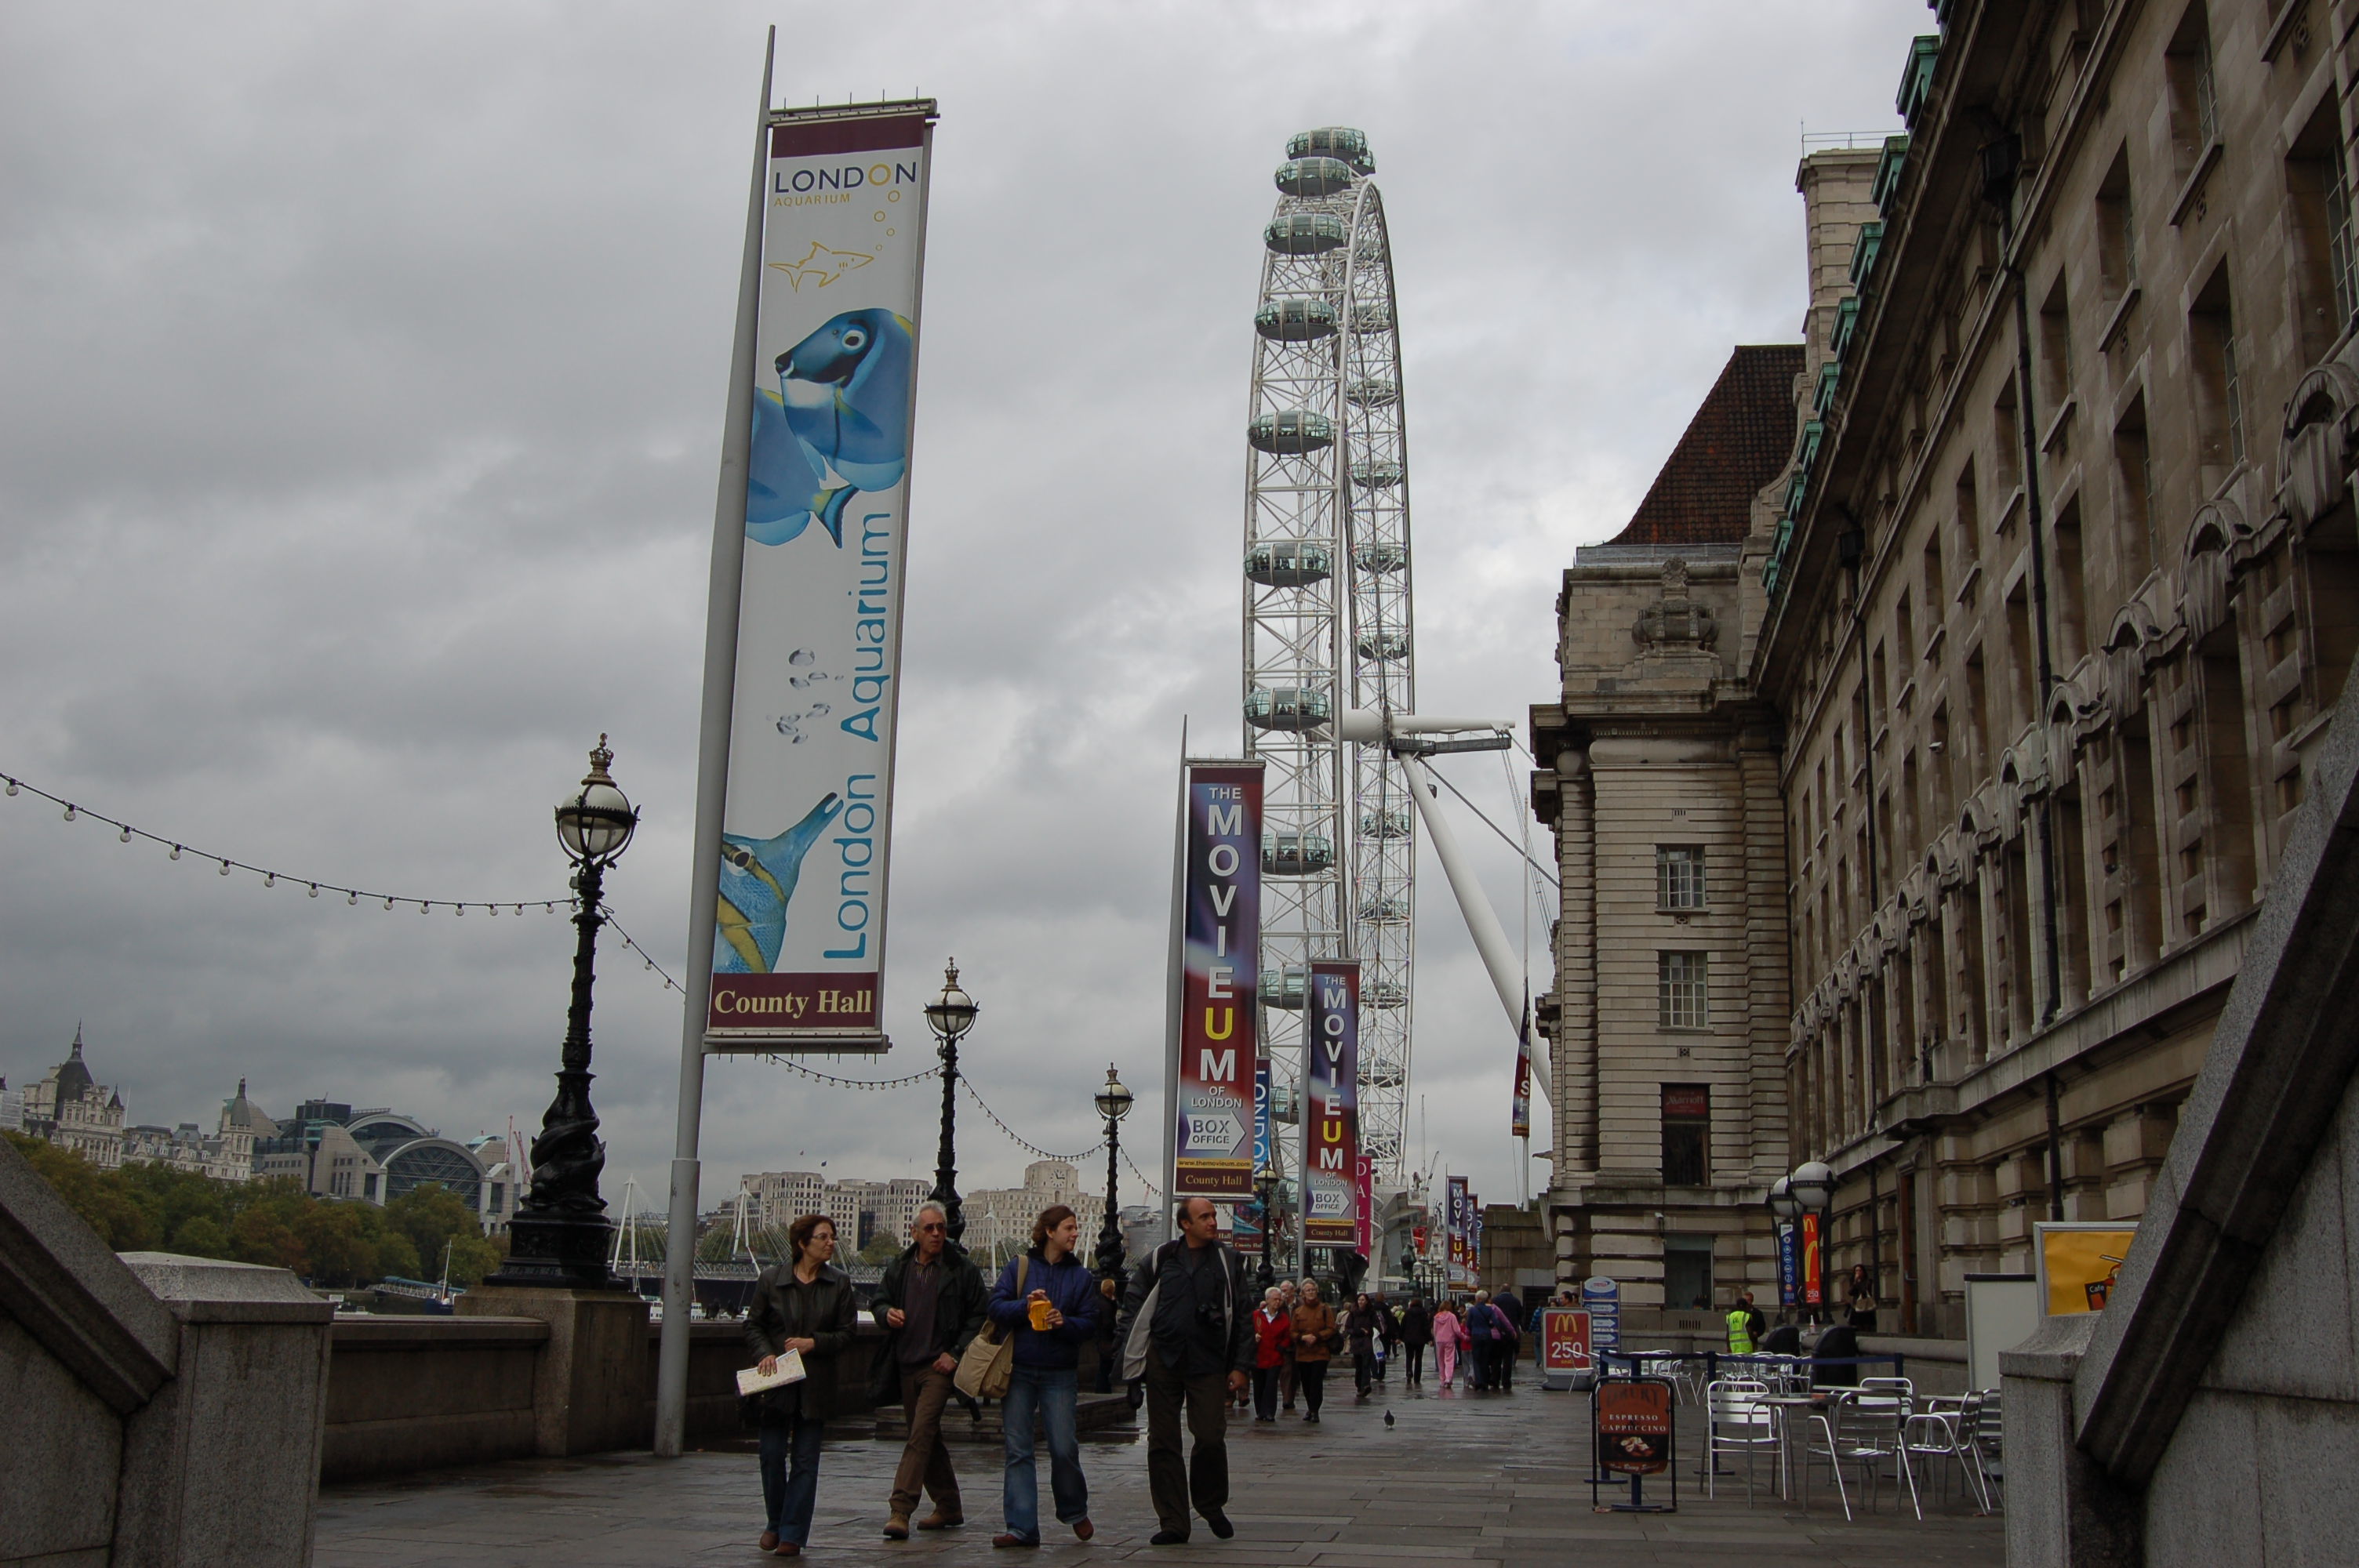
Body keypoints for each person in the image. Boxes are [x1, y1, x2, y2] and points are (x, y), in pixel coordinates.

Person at [1116, 1196, 1254, 1546]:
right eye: (1204, 1217)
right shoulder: (1161, 1259)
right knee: (1162, 1442)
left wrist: (1240, 1367)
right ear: (1185, 1224)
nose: (1212, 1222)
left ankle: (1210, 1504)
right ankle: (1174, 1521)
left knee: (1209, 1436)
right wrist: (1131, 1366)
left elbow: (1242, 1317)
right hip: (1164, 1359)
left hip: (1208, 1361)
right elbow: (1134, 1308)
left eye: (1212, 1216)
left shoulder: (1229, 1261)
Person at [986, 1204, 1101, 1548]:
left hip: (1059, 1372)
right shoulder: (1020, 1267)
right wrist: (1025, 1306)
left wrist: (1066, 1323)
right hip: (1019, 1369)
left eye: (1076, 1228)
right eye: (1068, 1228)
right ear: (1049, 1232)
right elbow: (995, 1307)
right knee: (1018, 1449)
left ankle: (1074, 1509)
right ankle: (1021, 1527)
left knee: (1064, 1447)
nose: (1075, 1234)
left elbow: (1091, 1324)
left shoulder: (1081, 1277)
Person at [870, 1202, 987, 1541]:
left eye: (942, 1228)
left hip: (938, 1366)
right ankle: (949, 1506)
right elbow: (878, 1301)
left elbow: (979, 1316)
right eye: (930, 1229)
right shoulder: (901, 1266)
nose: (937, 1234)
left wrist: (955, 1353)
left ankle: (900, 1509)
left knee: (919, 1436)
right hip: (906, 1363)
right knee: (928, 1437)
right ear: (915, 1233)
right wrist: (886, 1313)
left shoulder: (960, 1269)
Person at [745, 1213, 858, 1558]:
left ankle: (792, 1533)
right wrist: (765, 1353)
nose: (830, 1243)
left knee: (806, 1460)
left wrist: (814, 1343)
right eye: (823, 1237)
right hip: (777, 1385)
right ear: (802, 1244)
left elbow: (847, 1333)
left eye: (832, 1237)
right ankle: (776, 1521)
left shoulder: (838, 1283)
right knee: (771, 1455)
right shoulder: (771, 1280)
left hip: (815, 1385)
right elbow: (753, 1326)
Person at [1289, 1277, 1336, 1421]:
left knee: (1316, 1382)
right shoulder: (1298, 1312)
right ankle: (1310, 1407)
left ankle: (1315, 1410)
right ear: (1303, 1293)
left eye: (1313, 1290)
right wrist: (1302, 1338)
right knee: (1306, 1382)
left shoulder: (1324, 1309)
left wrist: (1317, 1336)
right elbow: (1292, 1332)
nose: (1311, 1292)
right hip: (1303, 1353)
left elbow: (1331, 1328)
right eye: (1308, 1290)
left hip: (1320, 1352)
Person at [1250, 1287, 1291, 1421]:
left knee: (1271, 1384)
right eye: (1275, 1299)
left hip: (1275, 1357)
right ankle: (1260, 1411)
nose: (1277, 1302)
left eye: (1279, 1300)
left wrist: (1281, 1347)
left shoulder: (1283, 1318)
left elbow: (1287, 1336)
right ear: (1267, 1300)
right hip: (1259, 1356)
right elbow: (1247, 1331)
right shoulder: (1257, 1315)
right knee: (1259, 1384)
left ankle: (1269, 1412)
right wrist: (1253, 1337)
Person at [1345, 1292, 1383, 1398]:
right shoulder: (1353, 1314)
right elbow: (1348, 1328)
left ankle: (1366, 1385)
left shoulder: (1371, 1313)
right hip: (1356, 1342)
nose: (1361, 1302)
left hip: (1367, 1341)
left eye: (1363, 1300)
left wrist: (1370, 1332)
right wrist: (1359, 1331)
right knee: (1359, 1365)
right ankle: (1359, 1386)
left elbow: (1377, 1326)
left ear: (1367, 1302)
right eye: (1359, 1300)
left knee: (1366, 1364)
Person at [1490, 1286, 1523, 1391]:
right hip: (1510, 1333)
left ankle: (1495, 1380)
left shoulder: (1495, 1300)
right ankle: (1506, 1382)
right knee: (1508, 1359)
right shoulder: (1516, 1301)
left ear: (1501, 1291)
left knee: (1496, 1359)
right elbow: (1520, 1316)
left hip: (1497, 1333)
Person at [1277, 1280, 1302, 1411]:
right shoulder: (1280, 1306)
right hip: (1285, 1343)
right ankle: (1287, 1399)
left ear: (1292, 1291)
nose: (1283, 1293)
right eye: (1281, 1290)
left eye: (1285, 1290)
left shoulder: (1300, 1305)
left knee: (1296, 1373)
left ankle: (1291, 1396)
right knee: (1286, 1371)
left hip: (1299, 1343)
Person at [1430, 1301, 1464, 1390]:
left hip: (1439, 1341)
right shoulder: (1452, 1316)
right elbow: (1457, 1330)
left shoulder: (1437, 1317)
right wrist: (1463, 1337)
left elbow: (1435, 1330)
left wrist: (1435, 1339)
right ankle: (1449, 1378)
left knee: (1440, 1361)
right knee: (1449, 1360)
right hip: (1449, 1340)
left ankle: (1442, 1380)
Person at [1398, 1297, 1432, 1386]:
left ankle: (1409, 1371)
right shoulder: (1423, 1313)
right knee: (1418, 1358)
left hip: (1408, 1339)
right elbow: (1426, 1327)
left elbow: (1403, 1326)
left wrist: (1399, 1337)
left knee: (1409, 1357)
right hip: (1420, 1339)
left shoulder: (1407, 1313)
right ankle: (1417, 1378)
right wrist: (1429, 1339)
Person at [1725, 1287, 1760, 1356]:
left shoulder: (1730, 1317)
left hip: (1734, 1347)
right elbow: (1749, 1331)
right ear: (1746, 1306)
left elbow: (1728, 1333)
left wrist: (1728, 1347)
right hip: (1746, 1348)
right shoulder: (1746, 1316)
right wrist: (1753, 1343)